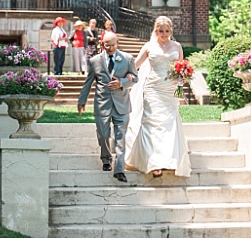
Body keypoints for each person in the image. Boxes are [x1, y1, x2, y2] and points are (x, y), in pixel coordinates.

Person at [125, 16, 191, 178]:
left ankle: (169, 159)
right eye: (161, 31)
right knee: (151, 122)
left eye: (167, 31)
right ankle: (154, 163)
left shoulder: (177, 46)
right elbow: (135, 65)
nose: (164, 34)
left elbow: (181, 66)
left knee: (168, 123)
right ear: (156, 31)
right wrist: (125, 75)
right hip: (152, 88)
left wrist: (183, 77)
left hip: (169, 89)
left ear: (171, 31)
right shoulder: (149, 46)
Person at [77, 31, 138, 183]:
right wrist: (81, 101)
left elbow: (135, 78)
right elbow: (88, 83)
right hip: (102, 104)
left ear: (117, 43)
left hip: (122, 105)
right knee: (103, 135)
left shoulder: (127, 58)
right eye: (106, 45)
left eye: (112, 45)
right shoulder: (95, 61)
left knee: (120, 137)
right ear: (102, 44)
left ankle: (119, 169)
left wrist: (122, 83)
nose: (110, 48)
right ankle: (106, 159)